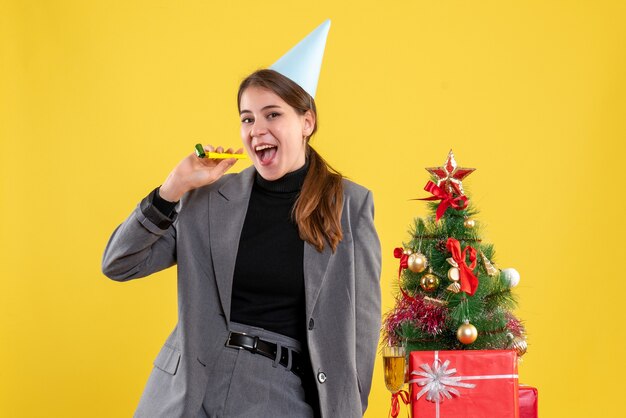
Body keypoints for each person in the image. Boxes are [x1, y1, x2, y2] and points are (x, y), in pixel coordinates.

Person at [102, 20, 381, 418]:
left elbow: (362, 329)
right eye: (247, 118)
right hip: (185, 390)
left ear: (307, 122)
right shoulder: (209, 198)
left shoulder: (349, 205)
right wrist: (171, 190)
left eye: (272, 115)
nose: (257, 130)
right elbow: (118, 264)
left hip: (278, 393)